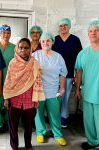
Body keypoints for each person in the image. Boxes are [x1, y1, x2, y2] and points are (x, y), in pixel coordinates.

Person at [3, 38, 45, 150]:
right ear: (17, 48)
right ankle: (14, 146)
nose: (23, 50)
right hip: (14, 100)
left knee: (29, 126)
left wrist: (36, 99)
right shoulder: (13, 63)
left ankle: (28, 145)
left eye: (26, 48)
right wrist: (6, 98)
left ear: (30, 49)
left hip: (29, 101)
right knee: (13, 127)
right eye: (20, 47)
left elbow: (38, 82)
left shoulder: (34, 63)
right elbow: (8, 80)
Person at [33, 32, 67, 146]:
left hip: (53, 91)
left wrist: (62, 88)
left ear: (52, 42)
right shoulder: (35, 55)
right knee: (38, 113)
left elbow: (63, 74)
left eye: (48, 41)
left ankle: (57, 134)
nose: (45, 43)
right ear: (40, 43)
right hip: (39, 91)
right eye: (43, 41)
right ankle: (40, 132)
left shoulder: (58, 57)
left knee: (54, 114)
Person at [53, 18, 82, 128]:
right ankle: (54, 118)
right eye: (61, 25)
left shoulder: (75, 40)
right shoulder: (54, 40)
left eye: (65, 25)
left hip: (69, 75)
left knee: (65, 97)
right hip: (54, 75)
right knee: (55, 98)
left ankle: (63, 118)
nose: (63, 27)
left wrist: (76, 75)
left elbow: (78, 60)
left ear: (69, 26)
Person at [75, 19, 99, 150]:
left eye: (96, 30)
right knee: (88, 121)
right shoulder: (82, 54)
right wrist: (78, 89)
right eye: (91, 31)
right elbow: (79, 72)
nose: (93, 33)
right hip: (88, 92)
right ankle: (92, 142)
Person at [0, 24, 15, 133]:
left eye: (8, 33)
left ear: (10, 34)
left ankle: (7, 120)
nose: (6, 35)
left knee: (9, 100)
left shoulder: (14, 48)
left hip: (10, 78)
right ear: (0, 34)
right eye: (3, 32)